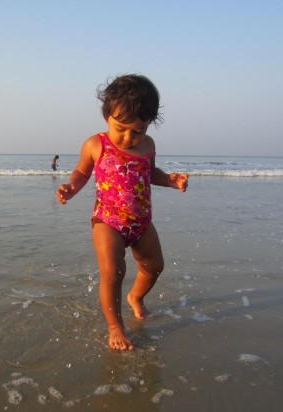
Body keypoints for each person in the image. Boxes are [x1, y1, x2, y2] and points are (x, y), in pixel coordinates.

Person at [56, 74, 188, 351]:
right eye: (121, 128)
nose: (129, 137)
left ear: (149, 123)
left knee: (154, 266)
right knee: (112, 270)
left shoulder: (148, 145)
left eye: (137, 131)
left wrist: (171, 181)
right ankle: (115, 326)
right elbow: (82, 172)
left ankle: (136, 297)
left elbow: (151, 173)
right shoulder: (96, 144)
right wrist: (71, 187)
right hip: (107, 220)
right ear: (107, 116)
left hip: (141, 222)